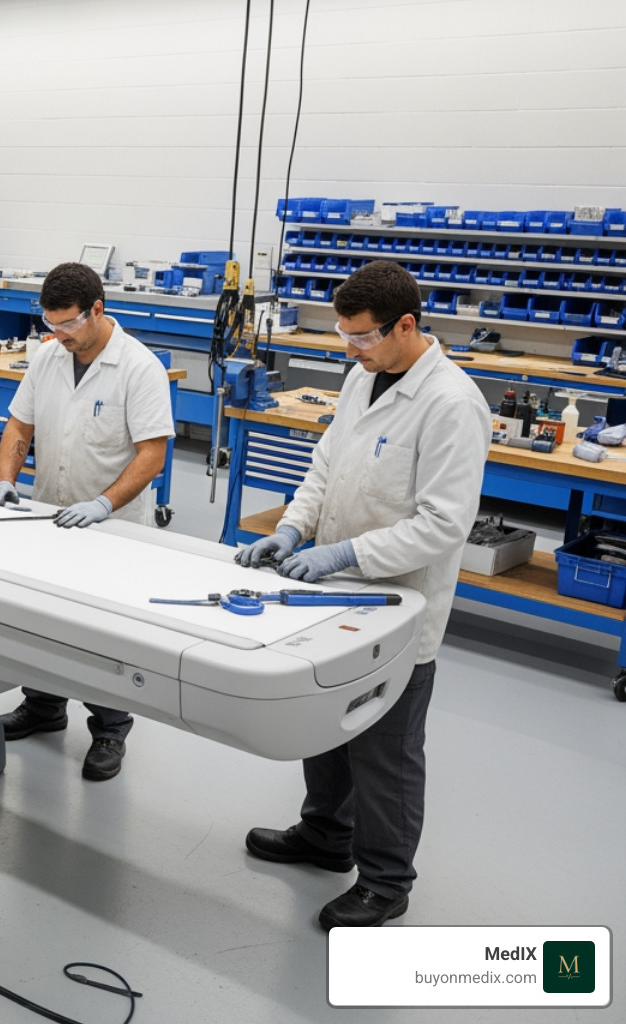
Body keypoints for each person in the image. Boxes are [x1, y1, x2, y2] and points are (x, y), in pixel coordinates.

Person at [236, 260, 490, 929]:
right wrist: (292, 529)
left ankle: (385, 881)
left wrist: (345, 553)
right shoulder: (363, 375)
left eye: (363, 337)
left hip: (398, 602)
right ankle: (325, 836)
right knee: (327, 722)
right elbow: (327, 464)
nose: (351, 350)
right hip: (333, 592)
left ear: (406, 325)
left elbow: (442, 524)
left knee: (385, 749)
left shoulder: (453, 404)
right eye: (345, 338)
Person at [0, 261, 175, 781]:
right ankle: (43, 706)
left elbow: (152, 454)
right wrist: (7, 478)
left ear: (97, 311)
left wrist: (104, 505)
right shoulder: (47, 357)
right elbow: (20, 423)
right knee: (43, 619)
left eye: (68, 325)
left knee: (103, 635)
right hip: (49, 513)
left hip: (113, 528)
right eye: (51, 325)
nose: (59, 335)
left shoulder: (140, 367)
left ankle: (110, 727)